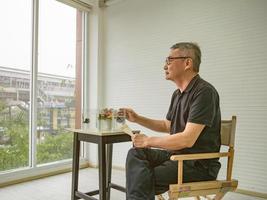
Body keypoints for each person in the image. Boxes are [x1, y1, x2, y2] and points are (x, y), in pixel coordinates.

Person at [123, 42, 221, 200]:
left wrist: (148, 141)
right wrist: (137, 118)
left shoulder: (204, 92)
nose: (164, 66)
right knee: (136, 153)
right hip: (175, 156)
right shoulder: (178, 95)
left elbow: (187, 139)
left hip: (197, 164)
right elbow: (167, 125)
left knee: (140, 178)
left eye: (169, 60)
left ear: (187, 63)